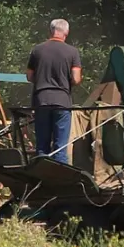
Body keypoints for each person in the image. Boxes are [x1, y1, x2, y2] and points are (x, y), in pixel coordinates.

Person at [26, 18, 82, 163]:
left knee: (42, 147)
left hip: (41, 101)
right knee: (60, 148)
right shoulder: (72, 52)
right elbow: (76, 79)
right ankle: (59, 182)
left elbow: (29, 76)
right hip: (62, 102)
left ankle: (41, 181)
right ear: (66, 32)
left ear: (51, 31)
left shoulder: (37, 50)